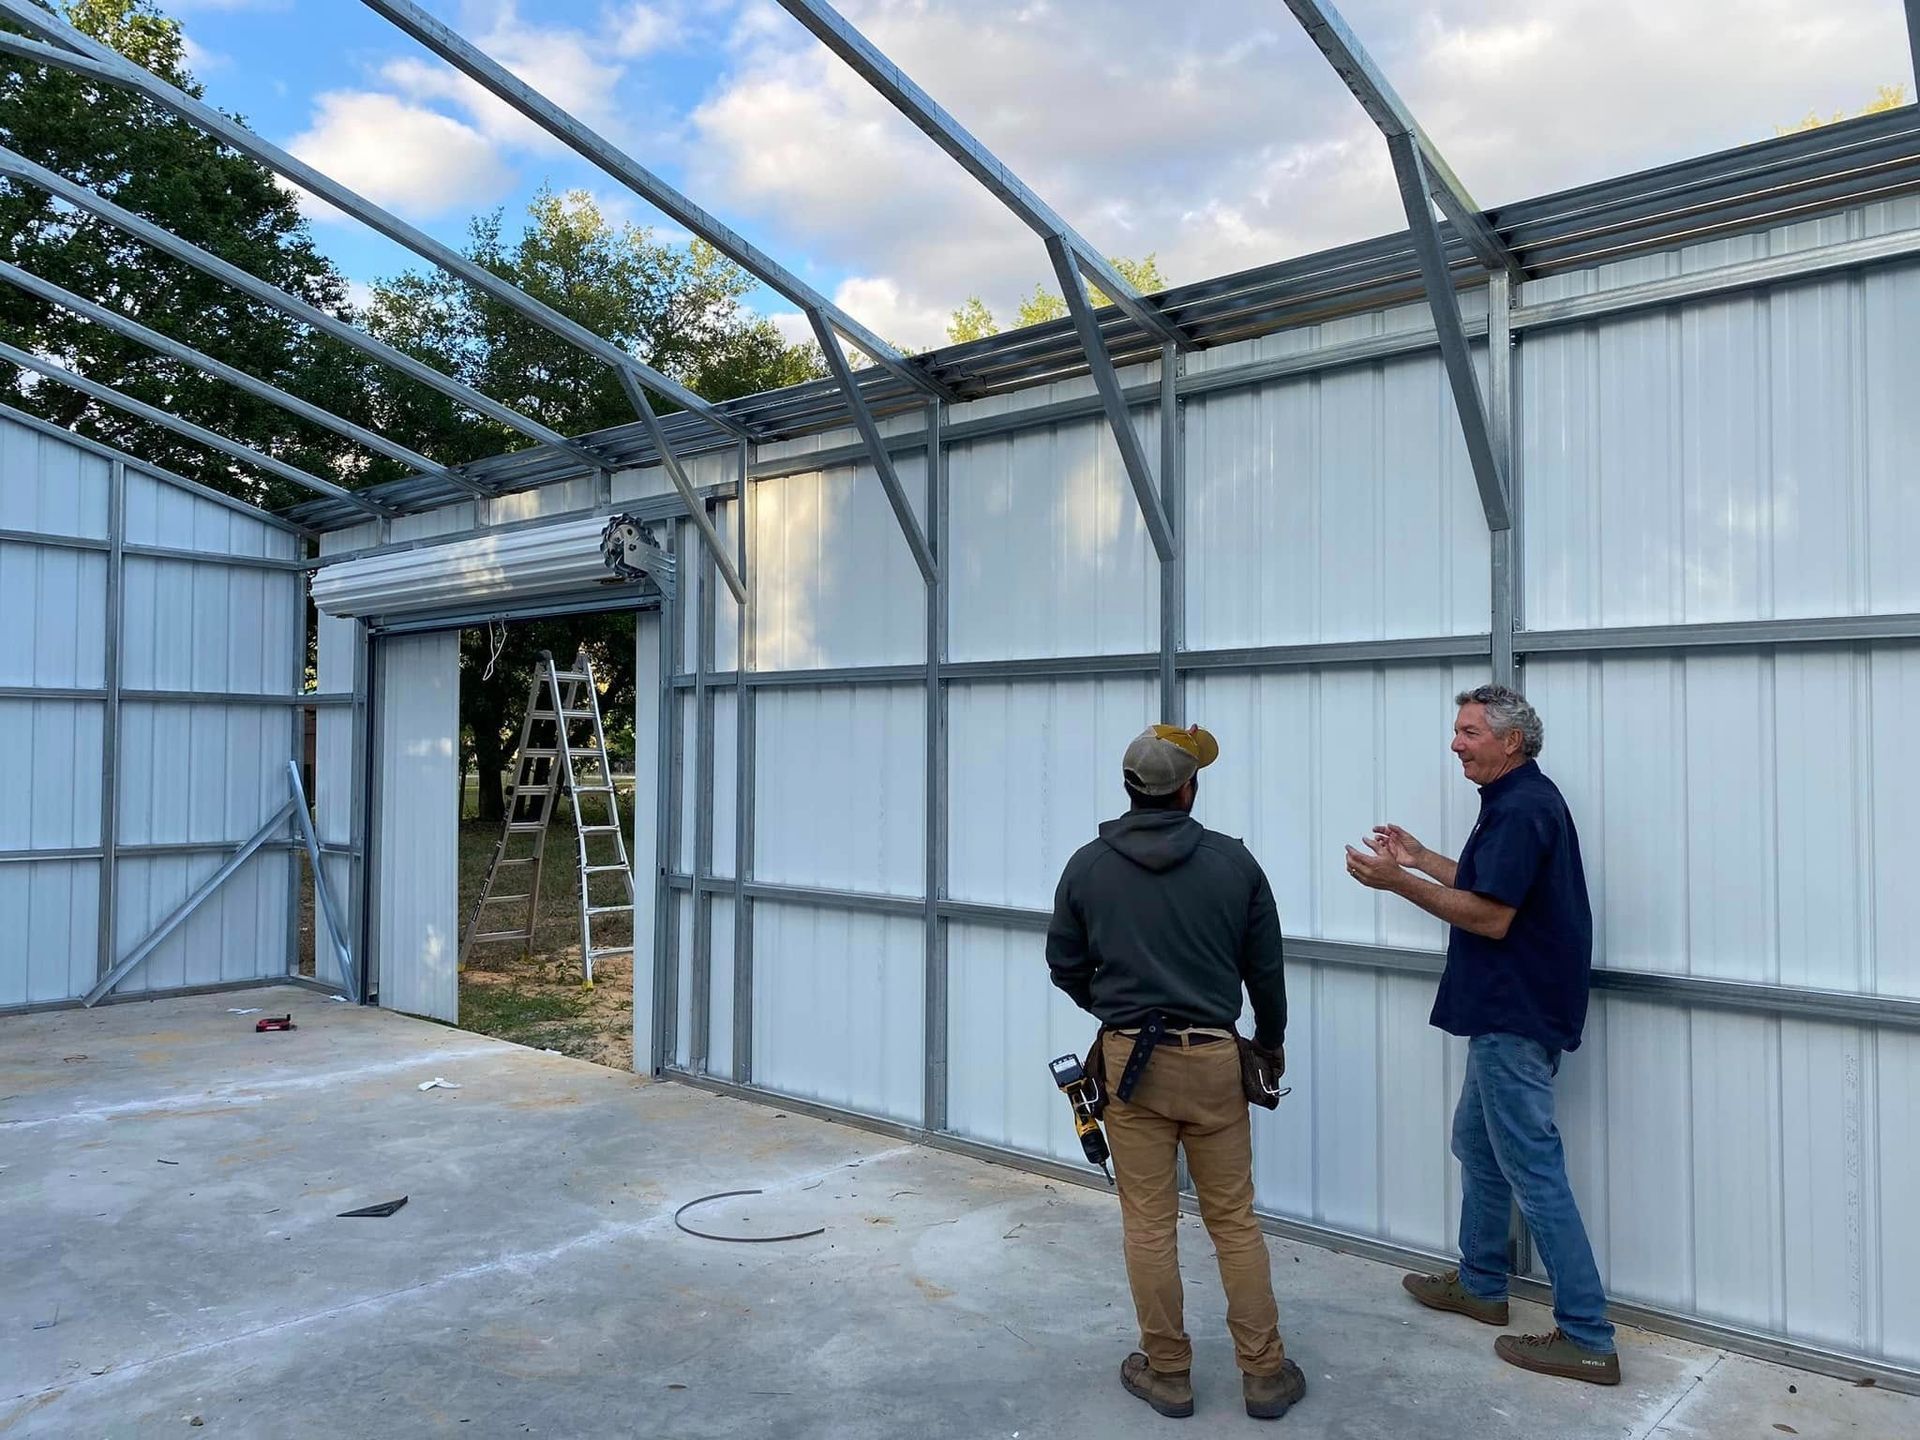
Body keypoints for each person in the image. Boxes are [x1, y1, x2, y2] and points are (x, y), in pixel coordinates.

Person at [1343, 684, 1619, 1385]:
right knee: (1476, 1143)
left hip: (1513, 1013)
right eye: (1457, 730)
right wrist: (1419, 857)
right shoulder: (1517, 801)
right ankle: (1482, 1284)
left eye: (1469, 732)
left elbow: (1491, 918)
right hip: (1511, 1008)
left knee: (1533, 1166)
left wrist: (1393, 884)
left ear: (1510, 742)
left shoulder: (1524, 807)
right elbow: (1492, 886)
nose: (1456, 743)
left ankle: (1587, 1334)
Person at [1046, 723, 1306, 1422]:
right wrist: (1269, 1044)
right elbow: (1266, 971)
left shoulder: (1087, 866)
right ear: (1188, 789)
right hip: (1216, 1060)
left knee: (1149, 1224)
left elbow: (1064, 965)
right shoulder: (1234, 864)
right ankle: (1264, 1374)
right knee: (1233, 1222)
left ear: (1130, 788)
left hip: (1132, 1063)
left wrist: (1114, 1009)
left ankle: (1168, 1374)